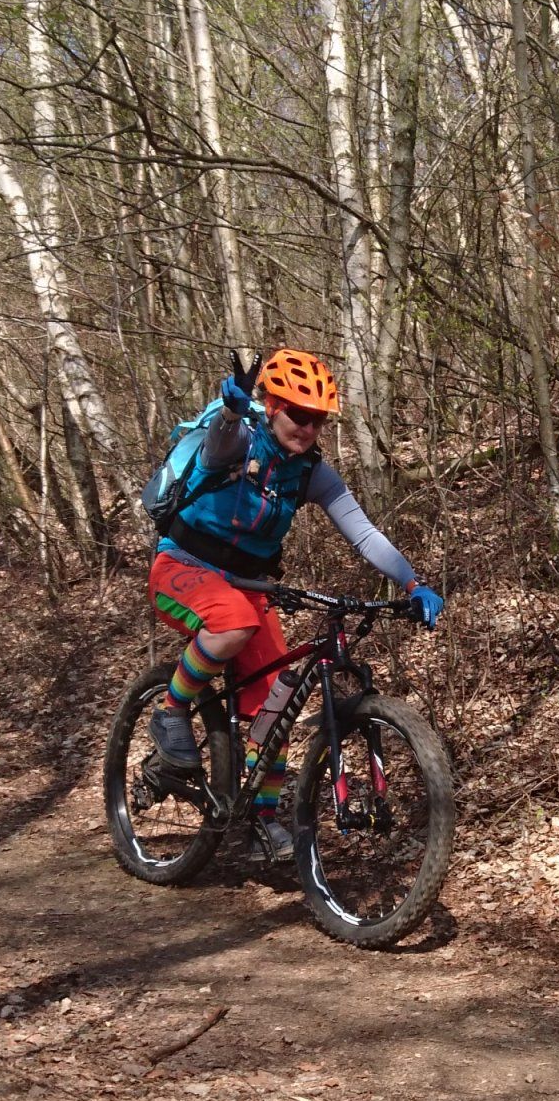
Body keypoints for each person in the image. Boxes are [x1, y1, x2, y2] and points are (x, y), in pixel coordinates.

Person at [146, 349, 443, 869]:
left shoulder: (311, 473)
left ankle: (261, 819)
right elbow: (218, 444)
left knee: (276, 706)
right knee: (232, 622)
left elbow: (363, 533)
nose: (307, 428)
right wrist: (231, 411)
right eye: (298, 415)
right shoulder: (240, 439)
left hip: (248, 583)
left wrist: (413, 581)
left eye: (317, 420)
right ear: (272, 407)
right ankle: (171, 711)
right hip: (183, 565)